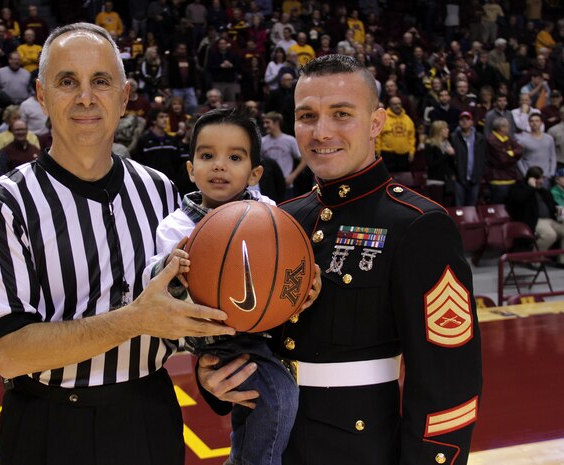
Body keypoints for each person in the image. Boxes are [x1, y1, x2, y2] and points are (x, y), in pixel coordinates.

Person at [0, 23, 234, 465]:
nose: (86, 97)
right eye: (67, 81)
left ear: (125, 96)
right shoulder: (1, 205)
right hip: (49, 424)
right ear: (41, 94)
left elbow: (183, 305)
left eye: (101, 81)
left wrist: (209, 365)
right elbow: (10, 353)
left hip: (150, 411)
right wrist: (133, 320)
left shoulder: (161, 190)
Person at [198, 55, 482, 465]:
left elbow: (449, 381)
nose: (321, 131)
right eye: (307, 115)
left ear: (376, 122)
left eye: (341, 114)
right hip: (265, 441)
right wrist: (215, 378)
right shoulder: (282, 220)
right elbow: (250, 331)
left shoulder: (419, 226)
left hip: (358, 449)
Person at [144, 108, 319, 465]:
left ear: (255, 173)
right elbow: (151, 284)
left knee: (255, 409)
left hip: (260, 328)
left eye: (234, 157)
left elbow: (288, 267)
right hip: (216, 336)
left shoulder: (267, 211)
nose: (219, 165)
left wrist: (303, 288)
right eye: (207, 156)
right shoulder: (176, 227)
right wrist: (169, 266)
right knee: (277, 396)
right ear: (191, 170)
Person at [506, 166, 564, 264]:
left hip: (550, 220)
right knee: (550, 235)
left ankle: (562, 261)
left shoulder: (544, 192)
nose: (542, 181)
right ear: (532, 179)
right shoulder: (519, 189)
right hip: (533, 220)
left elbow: (553, 207)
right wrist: (531, 188)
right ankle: (534, 260)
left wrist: (560, 215)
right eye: (540, 178)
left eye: (543, 178)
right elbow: (519, 201)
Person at [261, 112, 305, 199]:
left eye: (267, 122)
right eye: (264, 123)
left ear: (276, 122)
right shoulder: (263, 141)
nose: (265, 125)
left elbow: (304, 160)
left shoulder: (290, 140)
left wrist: (293, 175)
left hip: (286, 184)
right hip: (269, 185)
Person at [451, 112, 487, 206]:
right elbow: (450, 159)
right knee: (459, 207)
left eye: (467, 119)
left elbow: (484, 157)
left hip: (475, 177)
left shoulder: (480, 138)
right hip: (459, 178)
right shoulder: (454, 137)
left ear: (472, 122)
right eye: (462, 119)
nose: (465, 121)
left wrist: (480, 173)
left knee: (472, 207)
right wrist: (452, 174)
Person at [486, 117, 524, 204]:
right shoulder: (492, 140)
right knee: (498, 206)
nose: (509, 127)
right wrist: (513, 156)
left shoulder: (508, 138)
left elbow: (520, 149)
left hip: (511, 177)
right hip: (498, 179)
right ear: (501, 128)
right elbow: (502, 159)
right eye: (507, 126)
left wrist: (509, 153)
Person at [516, 113, 557, 187]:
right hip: (530, 176)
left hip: (545, 176)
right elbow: (519, 159)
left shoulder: (549, 138)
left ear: (541, 123)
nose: (534, 123)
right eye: (532, 121)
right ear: (529, 123)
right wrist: (525, 174)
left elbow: (553, 156)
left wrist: (551, 173)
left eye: (537, 121)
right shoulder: (523, 140)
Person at [376, 97, 416, 172]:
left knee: (403, 180)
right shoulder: (383, 118)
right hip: (387, 155)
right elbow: (378, 137)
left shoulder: (408, 119)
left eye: (399, 104)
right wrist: (378, 152)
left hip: (404, 155)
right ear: (390, 105)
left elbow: (411, 138)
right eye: (394, 104)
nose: (397, 106)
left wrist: (411, 152)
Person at [424, 120, 456, 205]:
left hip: (448, 182)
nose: (448, 130)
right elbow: (431, 164)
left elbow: (452, 165)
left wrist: (452, 156)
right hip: (435, 181)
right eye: (445, 128)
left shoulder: (448, 144)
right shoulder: (430, 145)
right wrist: (446, 154)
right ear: (438, 131)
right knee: (437, 207)